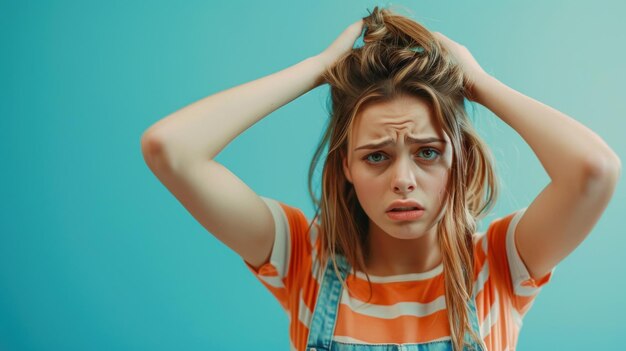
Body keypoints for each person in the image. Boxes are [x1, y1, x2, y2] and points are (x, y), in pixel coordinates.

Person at [140, 6, 620, 351]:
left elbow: (594, 172)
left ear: (461, 159)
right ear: (345, 167)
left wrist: (476, 80)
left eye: (428, 152)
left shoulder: (499, 263)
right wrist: (315, 71)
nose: (404, 180)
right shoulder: (304, 258)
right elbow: (171, 149)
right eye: (376, 157)